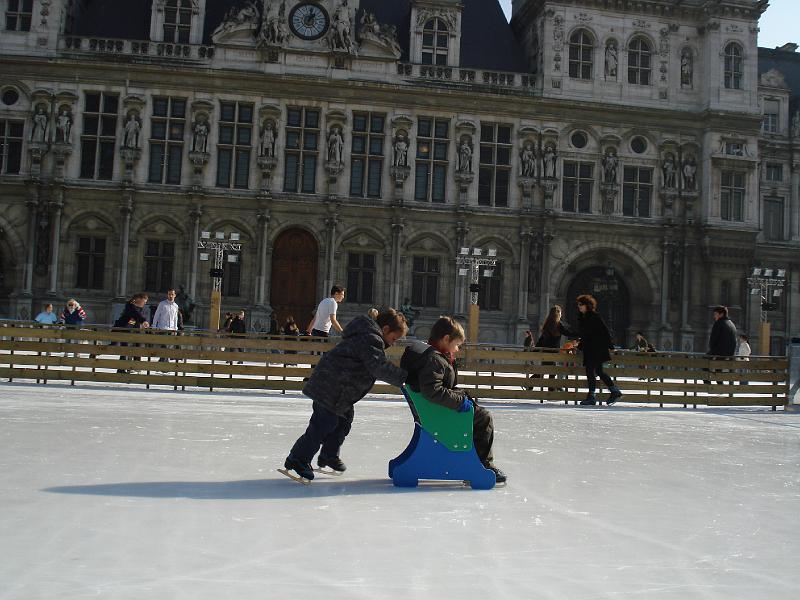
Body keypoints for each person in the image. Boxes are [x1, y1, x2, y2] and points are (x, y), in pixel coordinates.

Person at [283, 308, 408, 481]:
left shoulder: (369, 336)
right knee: (322, 425)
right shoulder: (370, 339)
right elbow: (378, 367)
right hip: (330, 388)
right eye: (394, 339)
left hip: (340, 391)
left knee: (343, 421)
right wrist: (405, 378)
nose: (393, 343)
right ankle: (298, 458)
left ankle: (329, 454)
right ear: (385, 329)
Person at [400, 316, 506, 484]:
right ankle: (482, 465)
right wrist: (459, 401)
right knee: (484, 417)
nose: (457, 349)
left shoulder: (435, 356)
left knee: (478, 412)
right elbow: (433, 390)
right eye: (456, 345)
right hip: (437, 413)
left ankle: (477, 462)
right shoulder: (434, 360)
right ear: (446, 339)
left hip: (433, 409)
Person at [576, 294, 622, 406]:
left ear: (587, 305)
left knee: (590, 371)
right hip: (594, 349)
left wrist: (611, 346)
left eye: (581, 305)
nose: (579, 307)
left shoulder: (592, 316)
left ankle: (592, 396)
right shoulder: (585, 317)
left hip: (595, 349)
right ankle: (614, 391)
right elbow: (585, 334)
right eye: (578, 305)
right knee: (599, 371)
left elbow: (604, 332)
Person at [113, 293, 150, 373]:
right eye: (144, 301)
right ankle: (122, 369)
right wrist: (143, 321)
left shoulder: (142, 308)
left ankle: (133, 367)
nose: (145, 303)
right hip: (124, 330)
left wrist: (142, 325)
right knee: (124, 348)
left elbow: (138, 318)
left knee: (136, 347)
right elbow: (135, 314)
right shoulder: (130, 305)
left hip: (134, 331)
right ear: (139, 299)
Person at [151, 288, 180, 363]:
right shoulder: (162, 304)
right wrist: (154, 326)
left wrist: (175, 328)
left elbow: (175, 318)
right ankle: (165, 363)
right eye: (169, 294)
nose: (170, 296)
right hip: (163, 328)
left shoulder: (176, 306)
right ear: (167, 295)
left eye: (172, 294)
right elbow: (157, 315)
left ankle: (162, 361)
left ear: (175, 295)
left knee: (168, 346)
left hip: (171, 329)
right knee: (165, 345)